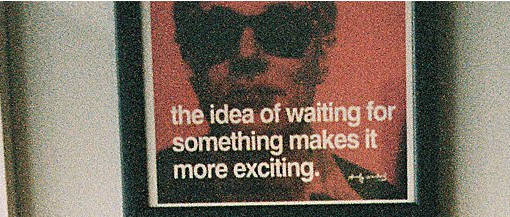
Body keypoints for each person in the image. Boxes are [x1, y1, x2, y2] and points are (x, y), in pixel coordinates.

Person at [156, 0, 401, 205]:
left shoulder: (383, 204)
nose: (247, 55)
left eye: (279, 30)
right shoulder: (153, 186)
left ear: (322, 54)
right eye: (218, 33)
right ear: (189, 60)